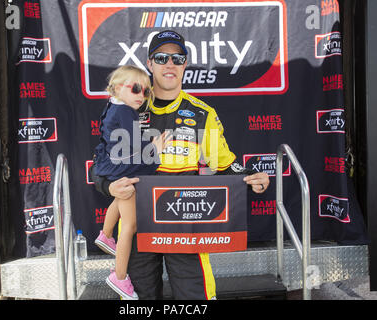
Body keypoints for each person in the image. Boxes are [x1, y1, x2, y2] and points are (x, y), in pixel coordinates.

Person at [90, 30, 270, 300]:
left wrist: (250, 176)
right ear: (150, 63)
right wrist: (109, 186)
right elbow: (100, 164)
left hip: (186, 224)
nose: (169, 64)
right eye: (161, 57)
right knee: (139, 301)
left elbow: (223, 164)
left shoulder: (201, 113)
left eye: (178, 58)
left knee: (195, 300)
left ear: (186, 63)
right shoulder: (129, 108)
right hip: (138, 223)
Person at [92, 65, 170, 300]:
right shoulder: (126, 112)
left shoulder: (113, 106)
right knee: (130, 226)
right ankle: (119, 275)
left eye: (146, 92)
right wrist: (154, 148)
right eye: (136, 89)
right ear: (116, 88)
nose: (141, 96)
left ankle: (106, 235)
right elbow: (134, 142)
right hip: (122, 166)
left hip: (115, 166)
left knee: (123, 193)